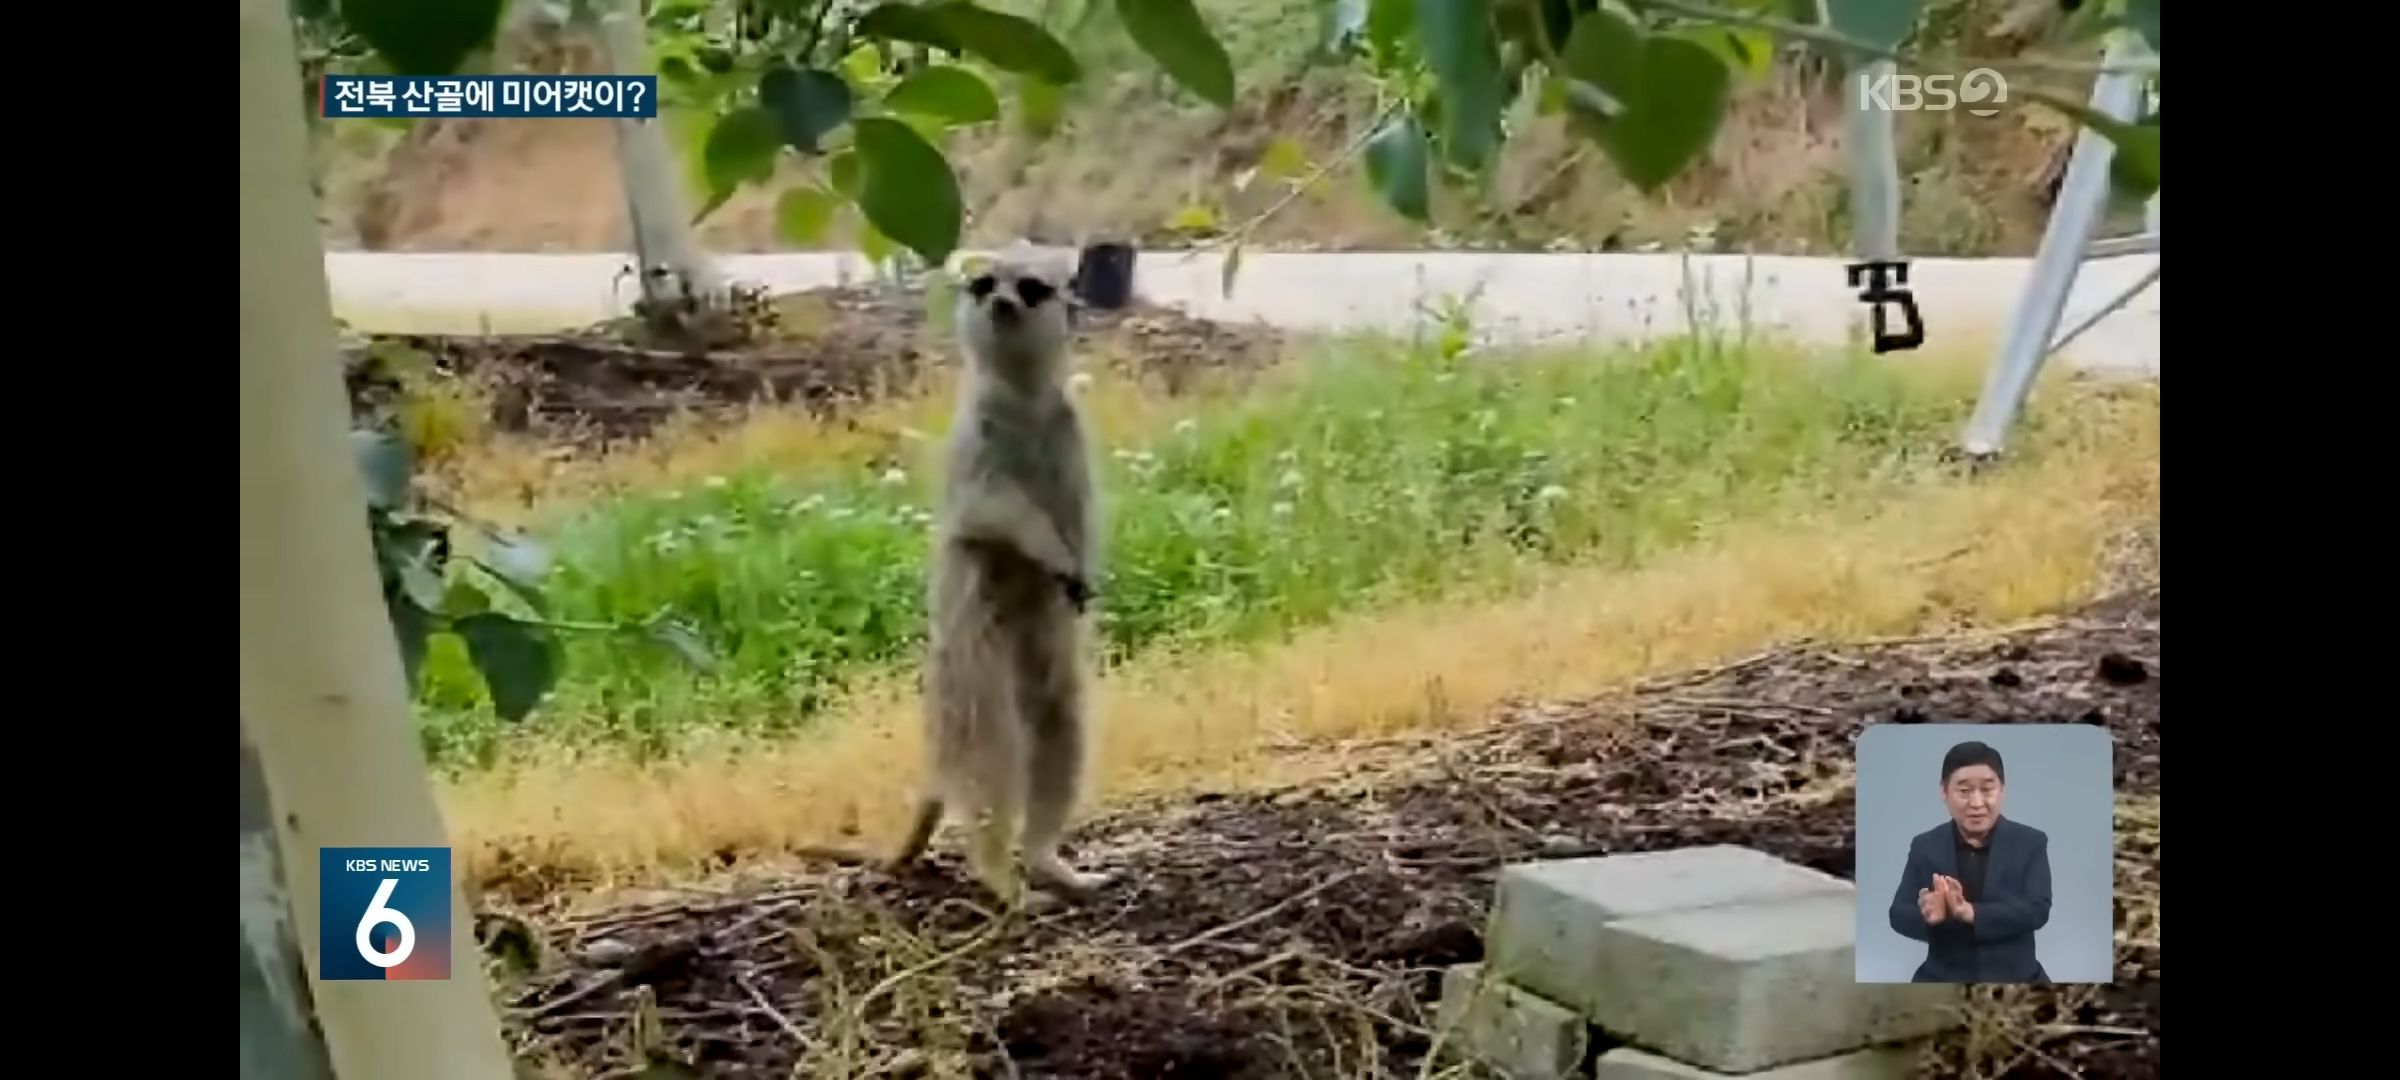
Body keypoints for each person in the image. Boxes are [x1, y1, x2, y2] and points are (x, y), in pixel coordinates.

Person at [1885, 740, 2052, 983]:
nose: (1976, 803)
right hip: (1941, 979)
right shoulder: (1925, 846)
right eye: (1964, 791)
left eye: (1987, 789)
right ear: (1944, 792)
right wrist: (1930, 917)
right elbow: (1898, 913)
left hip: (2019, 978)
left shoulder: (2031, 843)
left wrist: (1970, 912)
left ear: (2002, 790)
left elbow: (2038, 910)